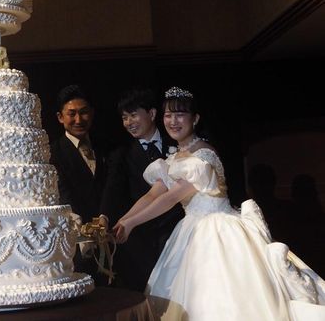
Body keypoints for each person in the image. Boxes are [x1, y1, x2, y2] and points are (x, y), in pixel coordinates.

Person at [113, 87, 325, 321]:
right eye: (168, 115)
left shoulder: (203, 154)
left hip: (217, 229)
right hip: (190, 230)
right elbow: (152, 196)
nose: (173, 121)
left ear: (195, 119)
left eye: (180, 115)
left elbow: (171, 198)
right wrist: (123, 220)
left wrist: (132, 223)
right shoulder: (173, 158)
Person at [99, 87, 183, 291]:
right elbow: (113, 189)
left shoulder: (178, 142)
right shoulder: (121, 154)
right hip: (143, 236)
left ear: (152, 114)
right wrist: (104, 216)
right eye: (124, 118)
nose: (129, 122)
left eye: (133, 115)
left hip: (179, 230)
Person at [49, 84, 106, 280]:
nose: (78, 120)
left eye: (83, 112)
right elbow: (63, 194)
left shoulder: (106, 146)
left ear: (92, 113)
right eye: (71, 114)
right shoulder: (52, 153)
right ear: (60, 117)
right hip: (78, 242)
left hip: (112, 235)